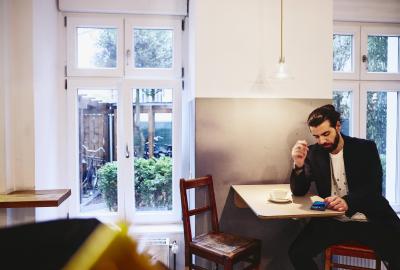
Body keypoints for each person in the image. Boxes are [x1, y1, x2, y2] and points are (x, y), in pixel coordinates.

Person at [288, 104, 400, 270]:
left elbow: (373, 189)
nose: (322, 141)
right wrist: (298, 165)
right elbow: (299, 191)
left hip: (369, 220)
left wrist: (348, 202)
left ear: (338, 126)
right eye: (316, 136)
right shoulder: (314, 153)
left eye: (326, 134)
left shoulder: (365, 148)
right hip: (333, 222)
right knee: (297, 252)